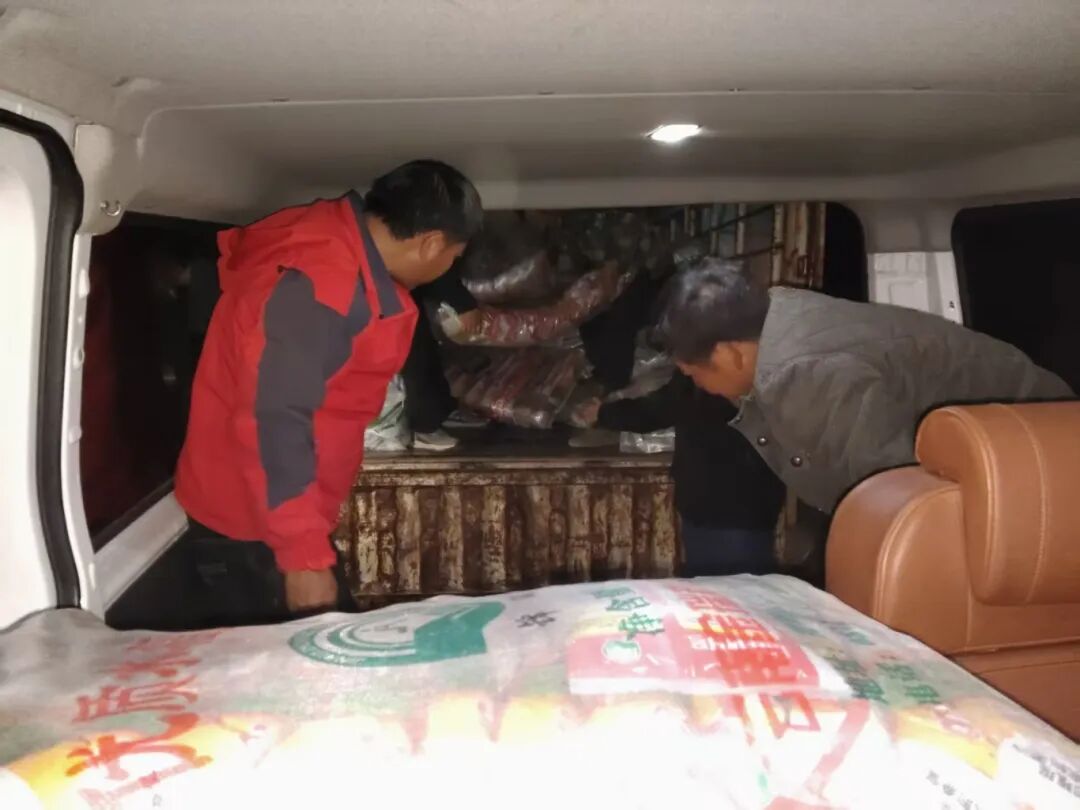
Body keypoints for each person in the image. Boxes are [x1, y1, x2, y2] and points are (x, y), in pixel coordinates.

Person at [175, 160, 483, 625]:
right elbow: (274, 420)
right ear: (431, 244)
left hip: (270, 519)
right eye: (453, 258)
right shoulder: (320, 287)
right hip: (252, 529)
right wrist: (302, 557)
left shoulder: (337, 258)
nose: (447, 267)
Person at [655, 259, 1074, 515]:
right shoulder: (778, 315)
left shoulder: (799, 374)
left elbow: (897, 496)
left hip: (1042, 452)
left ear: (730, 354)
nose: (701, 387)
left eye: (694, 374)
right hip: (1035, 438)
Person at [579, 371, 786, 576]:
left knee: (731, 583)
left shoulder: (721, 369)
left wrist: (604, 414)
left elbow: (661, 408)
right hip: (723, 501)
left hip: (728, 502)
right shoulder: (724, 367)